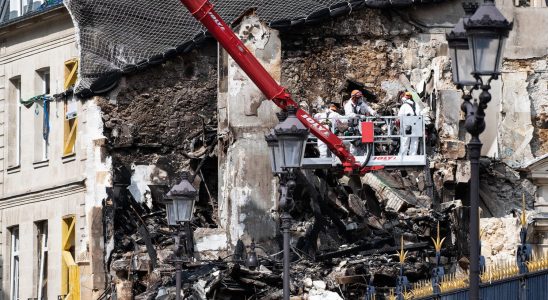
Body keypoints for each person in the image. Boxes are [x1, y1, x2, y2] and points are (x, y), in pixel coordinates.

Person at [398, 91, 419, 156]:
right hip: (416, 123)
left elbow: (401, 116)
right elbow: (419, 114)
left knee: (405, 141)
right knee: (414, 141)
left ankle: (402, 156)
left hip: (407, 124)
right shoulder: (416, 104)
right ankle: (413, 155)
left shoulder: (405, 105)